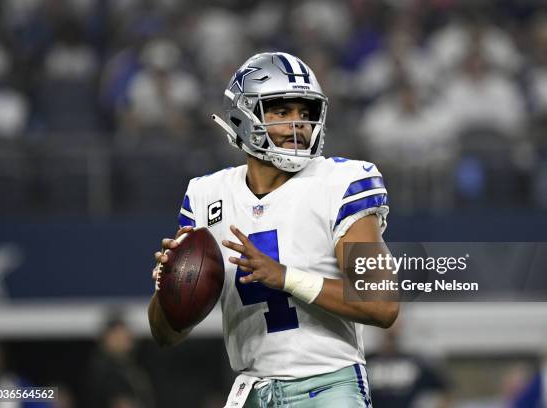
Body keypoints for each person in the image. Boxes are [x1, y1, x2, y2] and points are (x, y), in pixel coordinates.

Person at [148, 52, 399, 407]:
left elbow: (382, 304)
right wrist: (169, 286)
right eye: (282, 111)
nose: (298, 125)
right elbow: (165, 335)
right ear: (242, 115)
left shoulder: (343, 181)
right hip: (250, 391)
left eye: (306, 113)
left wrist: (285, 277)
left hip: (327, 387)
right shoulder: (206, 195)